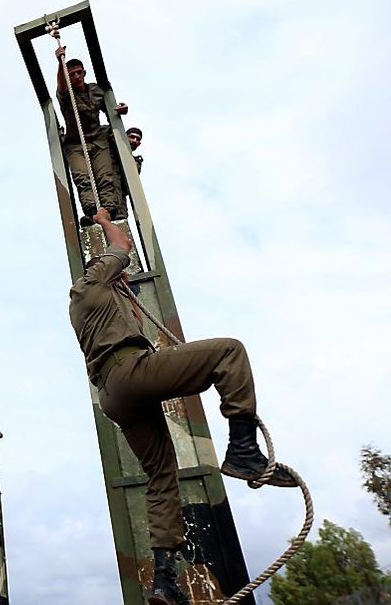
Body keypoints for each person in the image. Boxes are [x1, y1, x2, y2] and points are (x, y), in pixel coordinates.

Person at [68, 208, 296, 605]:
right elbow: (121, 245)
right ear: (100, 270)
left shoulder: (88, 307)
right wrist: (105, 221)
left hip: (113, 395)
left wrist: (123, 291)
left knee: (161, 475)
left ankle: (163, 579)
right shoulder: (90, 284)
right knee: (229, 352)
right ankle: (243, 451)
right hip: (130, 372)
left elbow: (117, 305)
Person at [53, 30, 129, 224]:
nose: (77, 77)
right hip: (76, 144)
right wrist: (60, 63)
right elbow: (61, 86)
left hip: (97, 140)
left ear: (84, 73)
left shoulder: (95, 90)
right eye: (72, 74)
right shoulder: (67, 93)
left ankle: (110, 211)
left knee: (105, 177)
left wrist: (120, 109)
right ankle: (92, 213)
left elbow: (110, 109)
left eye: (79, 73)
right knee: (83, 179)